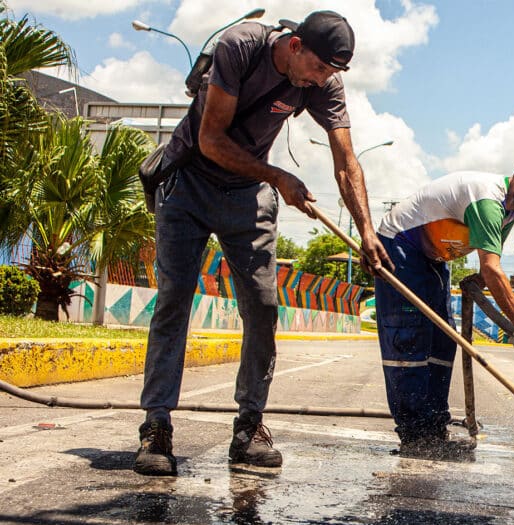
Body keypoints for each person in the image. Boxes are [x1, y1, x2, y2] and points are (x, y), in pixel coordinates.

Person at [134, 10, 392, 476]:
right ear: (294, 47)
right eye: (319, 68)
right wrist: (277, 177)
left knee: (262, 305)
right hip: (189, 180)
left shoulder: (322, 83)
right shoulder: (240, 47)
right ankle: (156, 427)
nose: (323, 80)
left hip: (245, 197)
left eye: (332, 73)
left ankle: (248, 426)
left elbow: (346, 160)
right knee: (174, 300)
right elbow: (211, 140)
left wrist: (367, 232)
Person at [375, 146, 514, 459]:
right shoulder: (488, 200)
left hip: (434, 257)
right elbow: (491, 268)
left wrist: (477, 283)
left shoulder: (510, 212)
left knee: (443, 341)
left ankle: (434, 429)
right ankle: (414, 435)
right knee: (410, 339)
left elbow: (487, 267)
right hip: (399, 245)